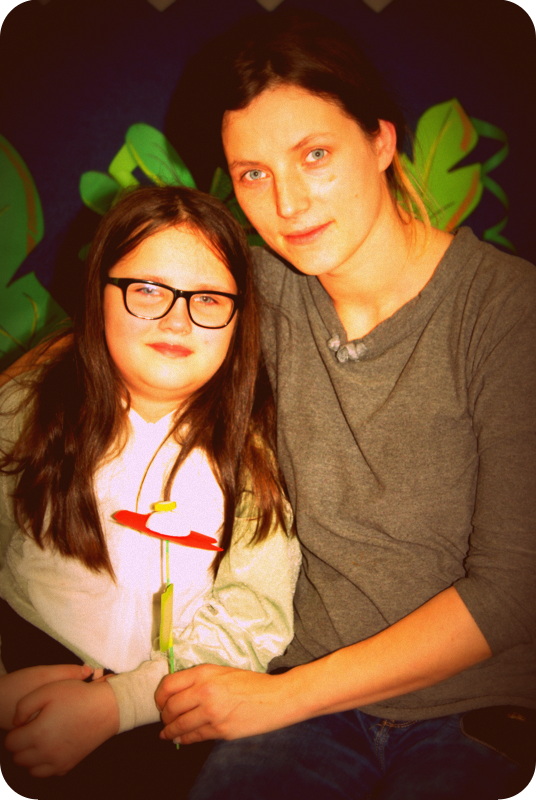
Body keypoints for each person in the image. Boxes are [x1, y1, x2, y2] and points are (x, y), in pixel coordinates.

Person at [154, 10, 536, 799]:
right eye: (252, 174)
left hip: (481, 709)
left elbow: (513, 591)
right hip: (309, 709)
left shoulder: (506, 311)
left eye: (315, 155)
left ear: (382, 142)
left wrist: (280, 698)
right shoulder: (255, 291)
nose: (288, 202)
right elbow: (96, 365)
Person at [0, 185, 300, 799]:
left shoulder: (259, 449)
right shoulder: (25, 407)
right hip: (26, 663)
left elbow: (255, 611)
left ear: (240, 317)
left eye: (208, 299)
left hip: (176, 700)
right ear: (99, 292)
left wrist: (121, 703)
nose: (177, 320)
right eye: (147, 290)